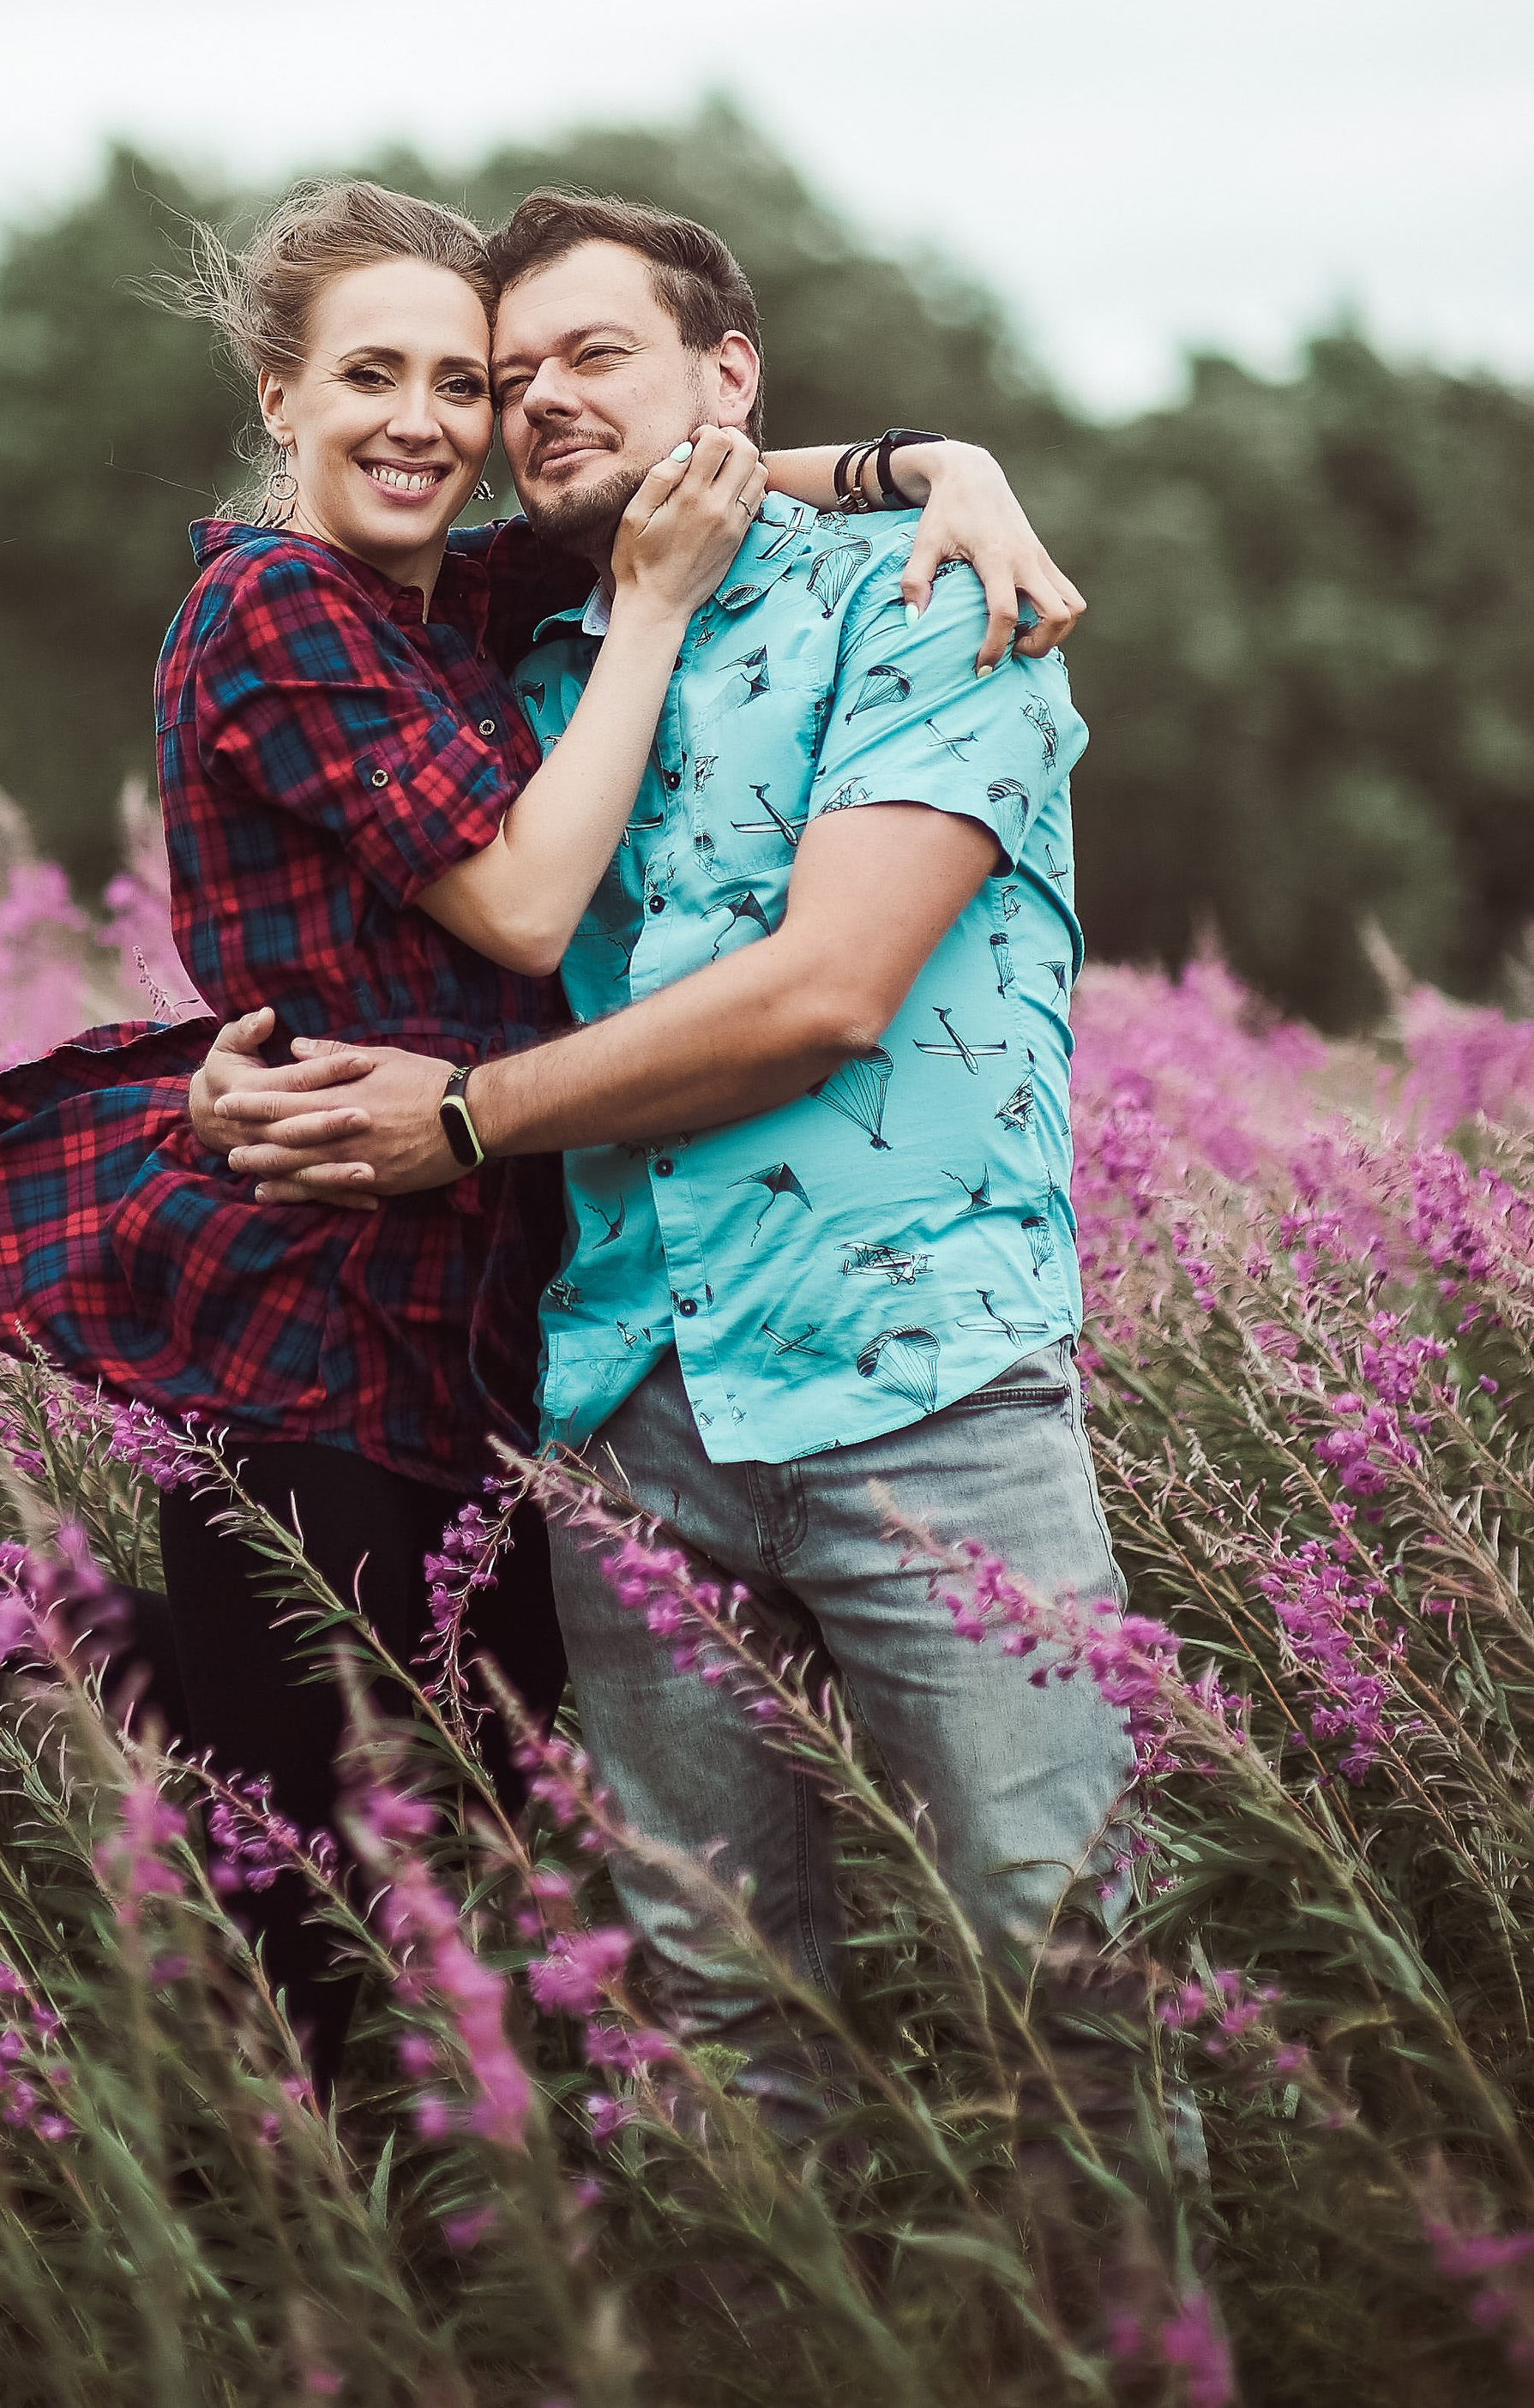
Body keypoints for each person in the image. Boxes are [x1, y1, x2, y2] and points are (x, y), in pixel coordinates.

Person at [0, 178, 1078, 2090]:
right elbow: (511, 902)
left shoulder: (455, 591)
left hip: (497, 1263)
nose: (432, 418)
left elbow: (680, 479)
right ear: (279, 393)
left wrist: (936, 462)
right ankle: (373, 2248)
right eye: (375, 376)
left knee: (469, 1747)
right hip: (323, 1255)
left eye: (469, 384)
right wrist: (652, 620)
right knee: (314, 1866)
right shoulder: (274, 604)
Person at [202, 188, 1126, 2135]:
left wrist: (929, 462)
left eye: (575, 359)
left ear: (725, 370)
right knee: (715, 2013)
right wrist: (218, 1082)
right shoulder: (527, 649)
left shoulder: (928, 595)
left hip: (920, 1384)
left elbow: (825, 996)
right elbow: (368, 918)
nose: (523, 408)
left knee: (1062, 1965)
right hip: (624, 1405)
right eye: (496, 378)